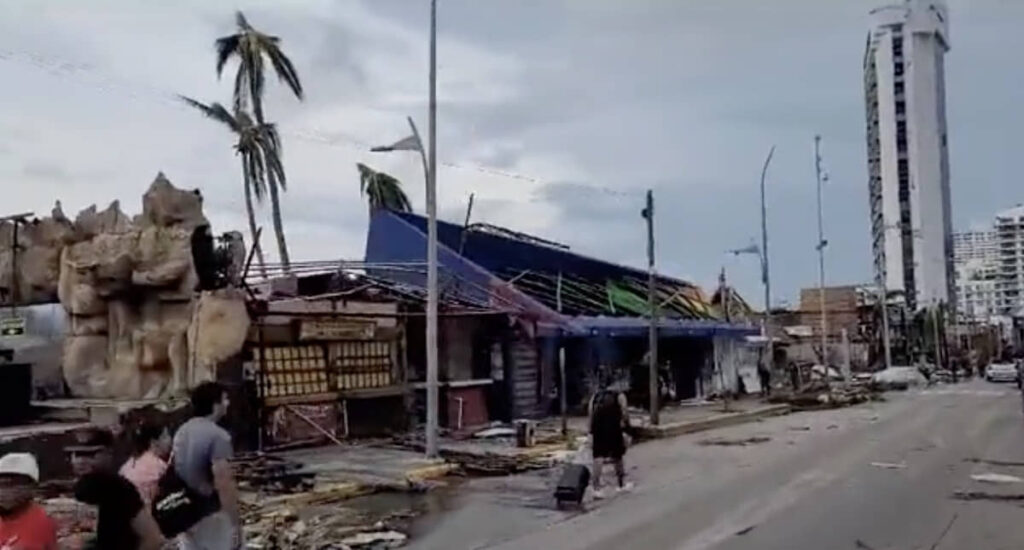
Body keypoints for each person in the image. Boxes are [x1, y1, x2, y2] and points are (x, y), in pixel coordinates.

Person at [69, 428, 167, 550]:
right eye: (77, 454)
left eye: (91, 454)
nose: (81, 460)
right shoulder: (76, 488)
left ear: (108, 453)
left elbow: (152, 538)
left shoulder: (119, 488)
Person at [174, 381, 241, 550]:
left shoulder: (182, 431)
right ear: (215, 404)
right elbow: (223, 482)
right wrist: (234, 522)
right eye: (225, 399)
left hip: (183, 511)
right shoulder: (218, 435)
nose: (228, 403)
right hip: (210, 512)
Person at [0, 453, 57, 550]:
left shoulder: (43, 522)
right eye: (2, 483)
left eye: (15, 483)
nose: (6, 490)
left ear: (32, 487)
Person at [588, 377, 632, 499]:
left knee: (598, 458)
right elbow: (625, 412)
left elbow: (590, 413)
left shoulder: (596, 396)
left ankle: (596, 489)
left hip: (597, 429)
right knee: (617, 456)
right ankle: (621, 485)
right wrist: (627, 429)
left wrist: (590, 432)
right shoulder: (619, 395)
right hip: (613, 428)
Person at [119, 420, 171, 506]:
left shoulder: (128, 464)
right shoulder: (159, 467)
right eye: (165, 436)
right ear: (154, 442)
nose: (170, 440)